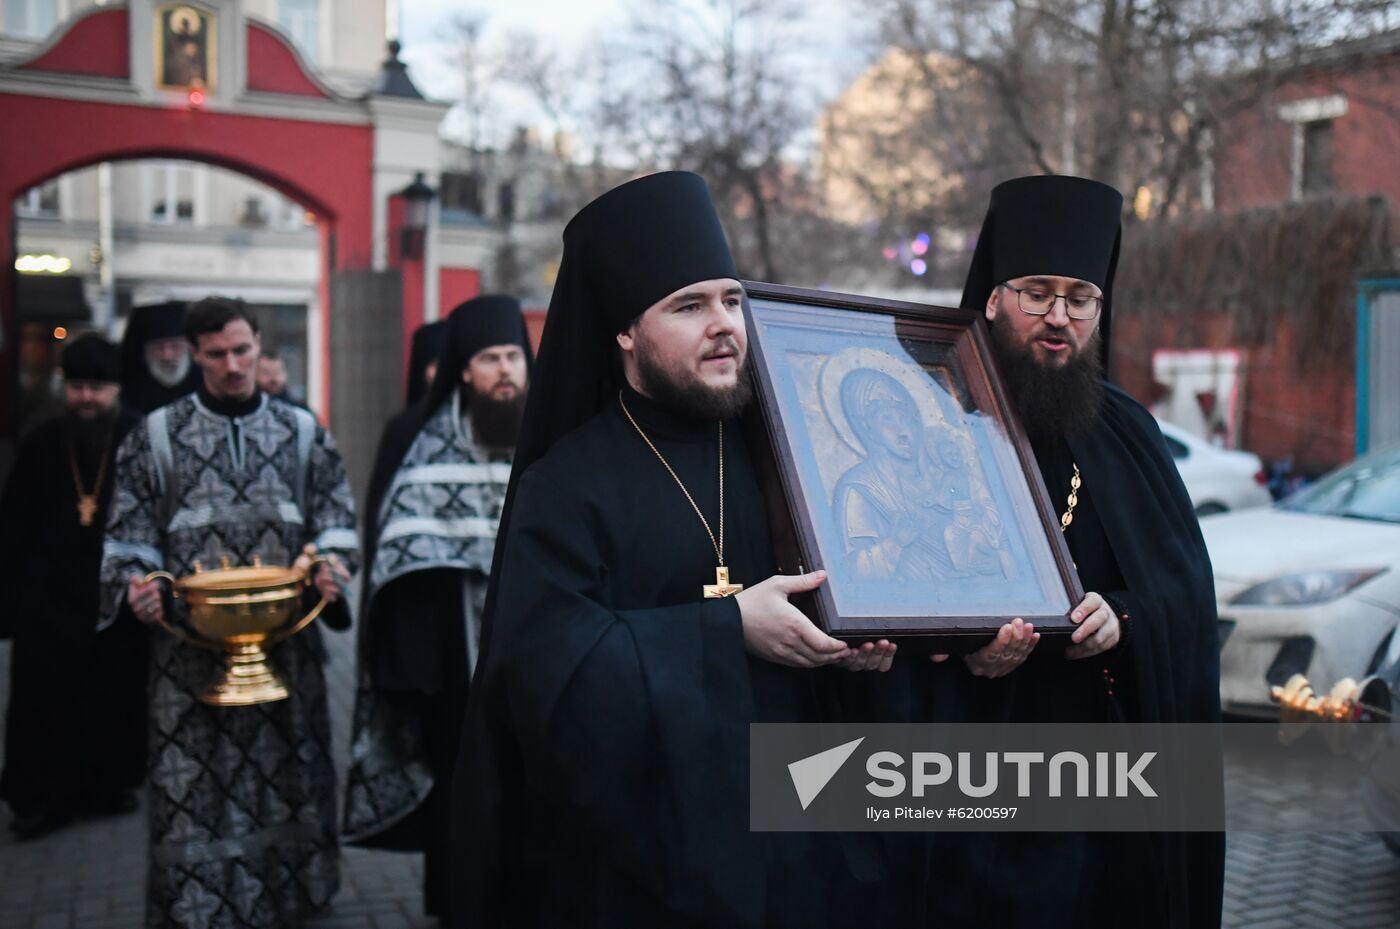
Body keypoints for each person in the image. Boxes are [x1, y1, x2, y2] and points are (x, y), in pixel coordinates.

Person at [447, 172, 896, 929]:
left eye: (730, 299)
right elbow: (546, 677)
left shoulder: (787, 455)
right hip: (640, 866)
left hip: (797, 851)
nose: (723, 324)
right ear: (625, 331)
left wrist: (856, 648)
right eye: (688, 306)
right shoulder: (566, 484)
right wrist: (727, 627)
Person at [911, 175, 1222, 929]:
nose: (1059, 318)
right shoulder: (925, 417)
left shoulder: (1127, 432)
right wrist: (960, 645)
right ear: (992, 297)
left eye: (1079, 298)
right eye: (1037, 293)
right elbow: (879, 584)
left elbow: (1183, 594)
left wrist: (1121, 615)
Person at [100, 297, 358, 929]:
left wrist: (330, 562)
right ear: (195, 355)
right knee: (195, 792)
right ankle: (199, 909)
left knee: (289, 776)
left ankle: (293, 898)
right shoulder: (154, 436)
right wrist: (136, 584)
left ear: (259, 346)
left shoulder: (301, 430)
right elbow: (127, 533)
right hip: (189, 657)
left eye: (244, 351)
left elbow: (336, 515)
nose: (234, 365)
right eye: (217, 355)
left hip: (286, 649)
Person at [344, 295, 532, 919]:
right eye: (489, 359)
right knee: (463, 794)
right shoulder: (419, 441)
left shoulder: (551, 435)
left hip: (542, 654)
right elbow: (395, 551)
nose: (504, 370)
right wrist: (413, 673)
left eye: (512, 356)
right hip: (454, 666)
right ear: (464, 370)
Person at [0, 334, 146, 838]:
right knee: (43, 704)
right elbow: (13, 522)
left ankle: (104, 788)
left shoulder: (136, 437)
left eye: (98, 388)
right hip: (49, 597)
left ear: (117, 390)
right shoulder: (41, 441)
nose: (86, 398)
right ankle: (39, 802)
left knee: (110, 699)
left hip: (112, 594)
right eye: (78, 387)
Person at [119, 301, 200, 414]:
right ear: (145, 350)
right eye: (158, 347)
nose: (167, 356)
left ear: (188, 346)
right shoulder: (129, 388)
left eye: (175, 346)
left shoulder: (204, 381)